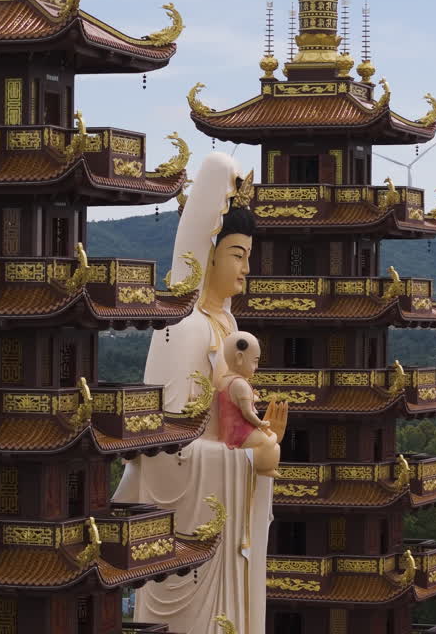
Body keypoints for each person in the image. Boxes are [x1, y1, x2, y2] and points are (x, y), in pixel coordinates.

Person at [114, 152, 286, 634]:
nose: (246, 269)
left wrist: (259, 441)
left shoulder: (227, 323)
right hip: (195, 528)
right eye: (237, 254)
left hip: (230, 526)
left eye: (248, 257)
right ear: (205, 253)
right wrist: (249, 460)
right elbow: (166, 454)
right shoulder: (183, 329)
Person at [216, 332, 280, 478]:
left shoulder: (226, 380)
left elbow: (234, 401)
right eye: (255, 361)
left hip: (228, 430)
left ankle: (265, 465)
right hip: (239, 432)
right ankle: (265, 467)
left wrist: (253, 398)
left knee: (271, 439)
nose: (256, 367)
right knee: (269, 442)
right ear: (239, 357)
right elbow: (247, 413)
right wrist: (260, 423)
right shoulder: (239, 384)